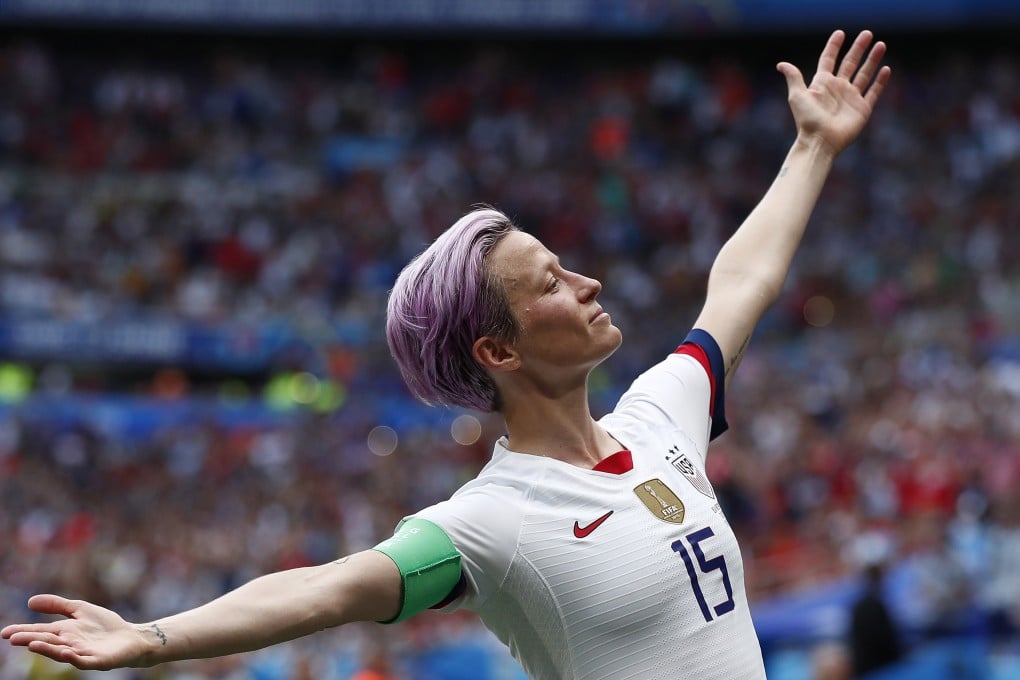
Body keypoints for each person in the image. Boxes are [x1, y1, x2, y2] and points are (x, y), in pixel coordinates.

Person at [2, 29, 890, 680]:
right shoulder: (491, 522)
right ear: (498, 348)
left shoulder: (662, 416)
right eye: (549, 281)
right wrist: (152, 638)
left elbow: (738, 286)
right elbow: (327, 590)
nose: (586, 282)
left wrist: (812, 148)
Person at [848, 563, 904, 678]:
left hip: (867, 667)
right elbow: (886, 641)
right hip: (880, 669)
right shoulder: (874, 606)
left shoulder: (859, 605)